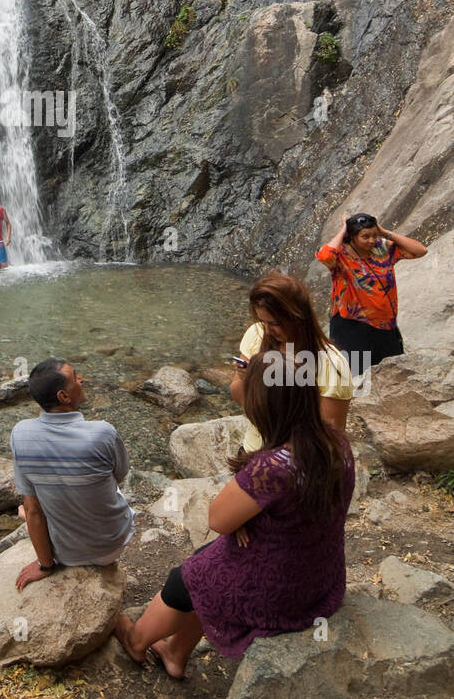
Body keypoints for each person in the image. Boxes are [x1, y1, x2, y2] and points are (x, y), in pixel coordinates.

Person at [114, 351, 355, 675]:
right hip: (320, 575)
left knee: (185, 578)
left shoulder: (272, 467)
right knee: (210, 560)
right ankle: (174, 653)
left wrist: (243, 517)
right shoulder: (334, 441)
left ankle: (136, 641)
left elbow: (218, 519)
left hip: (283, 591)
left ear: (262, 406)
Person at [9, 357, 135, 590]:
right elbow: (120, 474)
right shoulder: (103, 433)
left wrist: (45, 566)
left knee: (28, 508)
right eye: (75, 377)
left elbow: (34, 510)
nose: (81, 379)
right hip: (113, 543)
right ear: (63, 397)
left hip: (66, 554)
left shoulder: (21, 434)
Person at [230, 273, 354, 451]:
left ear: (297, 316)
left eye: (274, 323)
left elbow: (330, 437)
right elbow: (239, 398)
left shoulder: (331, 364)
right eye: (262, 321)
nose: (267, 330)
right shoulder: (256, 335)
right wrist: (247, 379)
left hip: (297, 463)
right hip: (253, 450)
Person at [316, 213, 427, 366]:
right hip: (352, 326)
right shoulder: (341, 254)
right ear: (352, 236)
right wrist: (343, 231)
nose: (371, 240)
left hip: (385, 324)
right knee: (356, 377)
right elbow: (324, 256)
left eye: (374, 235)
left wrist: (385, 233)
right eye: (365, 236)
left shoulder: (382, 248)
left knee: (391, 375)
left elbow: (420, 250)